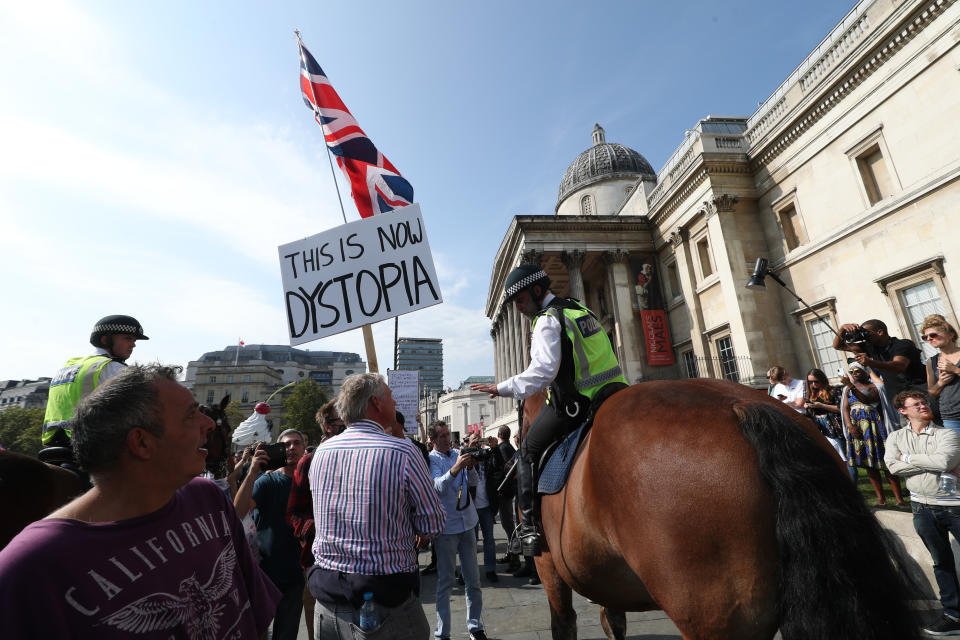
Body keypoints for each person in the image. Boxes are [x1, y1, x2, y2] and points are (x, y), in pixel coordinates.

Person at [0, 364, 281, 638]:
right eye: (190, 414)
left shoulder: (209, 498)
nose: (209, 424)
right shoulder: (29, 570)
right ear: (142, 443)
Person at [471, 264, 628, 556]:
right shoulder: (578, 308)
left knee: (528, 449)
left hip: (578, 402)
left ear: (537, 291)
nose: (517, 308)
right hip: (617, 391)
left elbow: (543, 372)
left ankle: (528, 527)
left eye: (519, 300)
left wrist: (500, 387)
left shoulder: (547, 320)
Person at [308, 373, 445, 639]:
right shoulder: (403, 452)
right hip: (384, 606)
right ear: (376, 403)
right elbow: (434, 524)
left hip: (326, 603)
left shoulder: (320, 454)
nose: (396, 404)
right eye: (391, 397)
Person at [885, 390, 960, 636]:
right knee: (942, 563)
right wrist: (925, 459)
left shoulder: (947, 433)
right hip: (922, 508)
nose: (923, 405)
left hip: (954, 506)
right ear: (903, 411)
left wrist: (907, 458)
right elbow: (892, 467)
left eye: (924, 402)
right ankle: (953, 614)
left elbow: (944, 463)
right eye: (915, 404)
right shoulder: (895, 437)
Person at [41, 315, 149, 450]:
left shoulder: (68, 366)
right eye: (128, 338)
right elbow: (143, 408)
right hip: (91, 446)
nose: (133, 344)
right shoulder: (114, 368)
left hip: (53, 443)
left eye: (134, 340)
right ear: (105, 340)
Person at [286, 402, 344, 640]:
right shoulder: (309, 461)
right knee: (319, 628)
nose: (345, 425)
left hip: (353, 562)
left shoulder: (357, 454)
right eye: (339, 421)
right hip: (318, 560)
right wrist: (314, 528)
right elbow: (294, 513)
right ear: (327, 426)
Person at [429, 421, 488, 640]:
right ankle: (442, 633)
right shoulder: (432, 459)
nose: (446, 439)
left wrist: (470, 467)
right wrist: (456, 468)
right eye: (441, 436)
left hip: (468, 522)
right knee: (446, 582)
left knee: (473, 580)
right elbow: (438, 487)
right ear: (433, 440)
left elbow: (473, 481)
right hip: (447, 529)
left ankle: (475, 626)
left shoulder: (458, 453)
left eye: (447, 434)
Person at [250, 428, 307, 640]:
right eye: (286, 444)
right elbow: (239, 510)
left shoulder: (310, 483)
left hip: (295, 576)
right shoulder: (266, 482)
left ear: (303, 448)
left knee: (286, 635)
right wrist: (252, 471)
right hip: (264, 574)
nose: (291, 448)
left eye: (296, 443)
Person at [833, 318, 926, 425]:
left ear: (880, 332)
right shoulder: (871, 347)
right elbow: (838, 346)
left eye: (867, 333)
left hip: (919, 398)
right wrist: (842, 329)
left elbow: (899, 366)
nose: (865, 336)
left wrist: (871, 362)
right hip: (900, 402)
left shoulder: (903, 345)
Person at [840, 364, 904, 506]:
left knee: (886, 463)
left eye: (857, 370)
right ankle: (881, 498)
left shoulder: (874, 387)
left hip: (874, 426)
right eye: (851, 371)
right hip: (858, 429)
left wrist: (851, 386)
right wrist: (850, 426)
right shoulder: (847, 389)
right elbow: (845, 408)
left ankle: (899, 498)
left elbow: (868, 400)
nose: (854, 373)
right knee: (869, 465)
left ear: (865, 371)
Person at [924, 314, 960, 433]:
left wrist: (955, 370)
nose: (929, 338)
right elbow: (932, 392)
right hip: (951, 417)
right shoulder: (931, 361)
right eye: (925, 337)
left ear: (951, 335)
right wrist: (941, 382)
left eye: (933, 335)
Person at [494, 425, 520, 571]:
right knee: (508, 524)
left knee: (508, 524)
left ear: (498, 434)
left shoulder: (503, 448)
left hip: (505, 492)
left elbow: (506, 470)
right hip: (508, 491)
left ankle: (514, 557)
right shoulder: (509, 447)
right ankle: (511, 553)